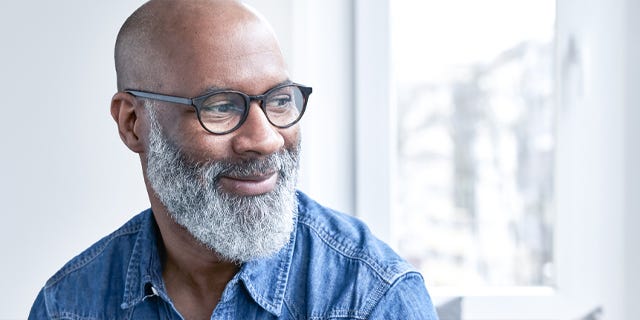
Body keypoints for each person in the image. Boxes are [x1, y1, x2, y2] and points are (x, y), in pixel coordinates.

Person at [28, 0, 439, 319]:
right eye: (220, 106)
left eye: (279, 100)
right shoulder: (67, 306)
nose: (265, 139)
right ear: (133, 123)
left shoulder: (373, 298)